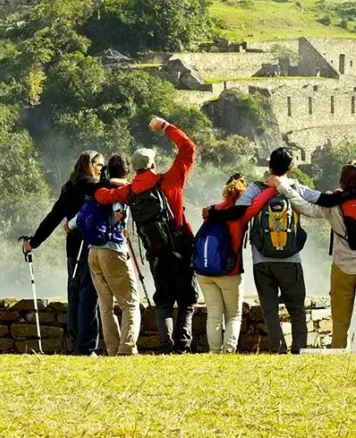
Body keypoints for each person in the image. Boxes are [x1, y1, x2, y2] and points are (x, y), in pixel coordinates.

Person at [95, 117, 199, 354]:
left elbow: (102, 196)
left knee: (163, 299)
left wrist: (105, 181)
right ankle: (182, 345)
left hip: (156, 251)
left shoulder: (130, 191)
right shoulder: (170, 180)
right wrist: (165, 126)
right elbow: (188, 148)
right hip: (181, 245)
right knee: (187, 298)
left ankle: (165, 344)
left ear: (135, 168)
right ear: (152, 165)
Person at [22, 150, 105, 356]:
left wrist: (34, 242)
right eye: (99, 165)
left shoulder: (69, 187)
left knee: (75, 293)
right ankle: (86, 347)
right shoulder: (89, 184)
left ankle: (76, 342)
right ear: (89, 164)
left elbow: (54, 216)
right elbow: (106, 190)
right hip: (88, 247)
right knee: (88, 296)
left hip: (72, 249)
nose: (102, 170)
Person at [266, 161, 356, 349]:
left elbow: (305, 207)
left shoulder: (333, 201)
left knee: (340, 320)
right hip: (343, 266)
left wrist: (283, 187)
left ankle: (338, 355)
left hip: (342, 266)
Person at [68, 155, 141, 356]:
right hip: (114, 249)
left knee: (105, 304)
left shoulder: (97, 190)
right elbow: (119, 211)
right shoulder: (119, 190)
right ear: (128, 172)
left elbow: (72, 223)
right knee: (130, 302)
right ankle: (126, 349)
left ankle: (112, 347)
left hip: (93, 252)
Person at [198, 173, 277, 353]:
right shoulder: (240, 213)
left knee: (214, 314)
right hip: (229, 271)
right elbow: (259, 201)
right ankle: (228, 350)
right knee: (233, 314)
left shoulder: (212, 210)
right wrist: (276, 185)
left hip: (205, 271)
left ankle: (214, 351)